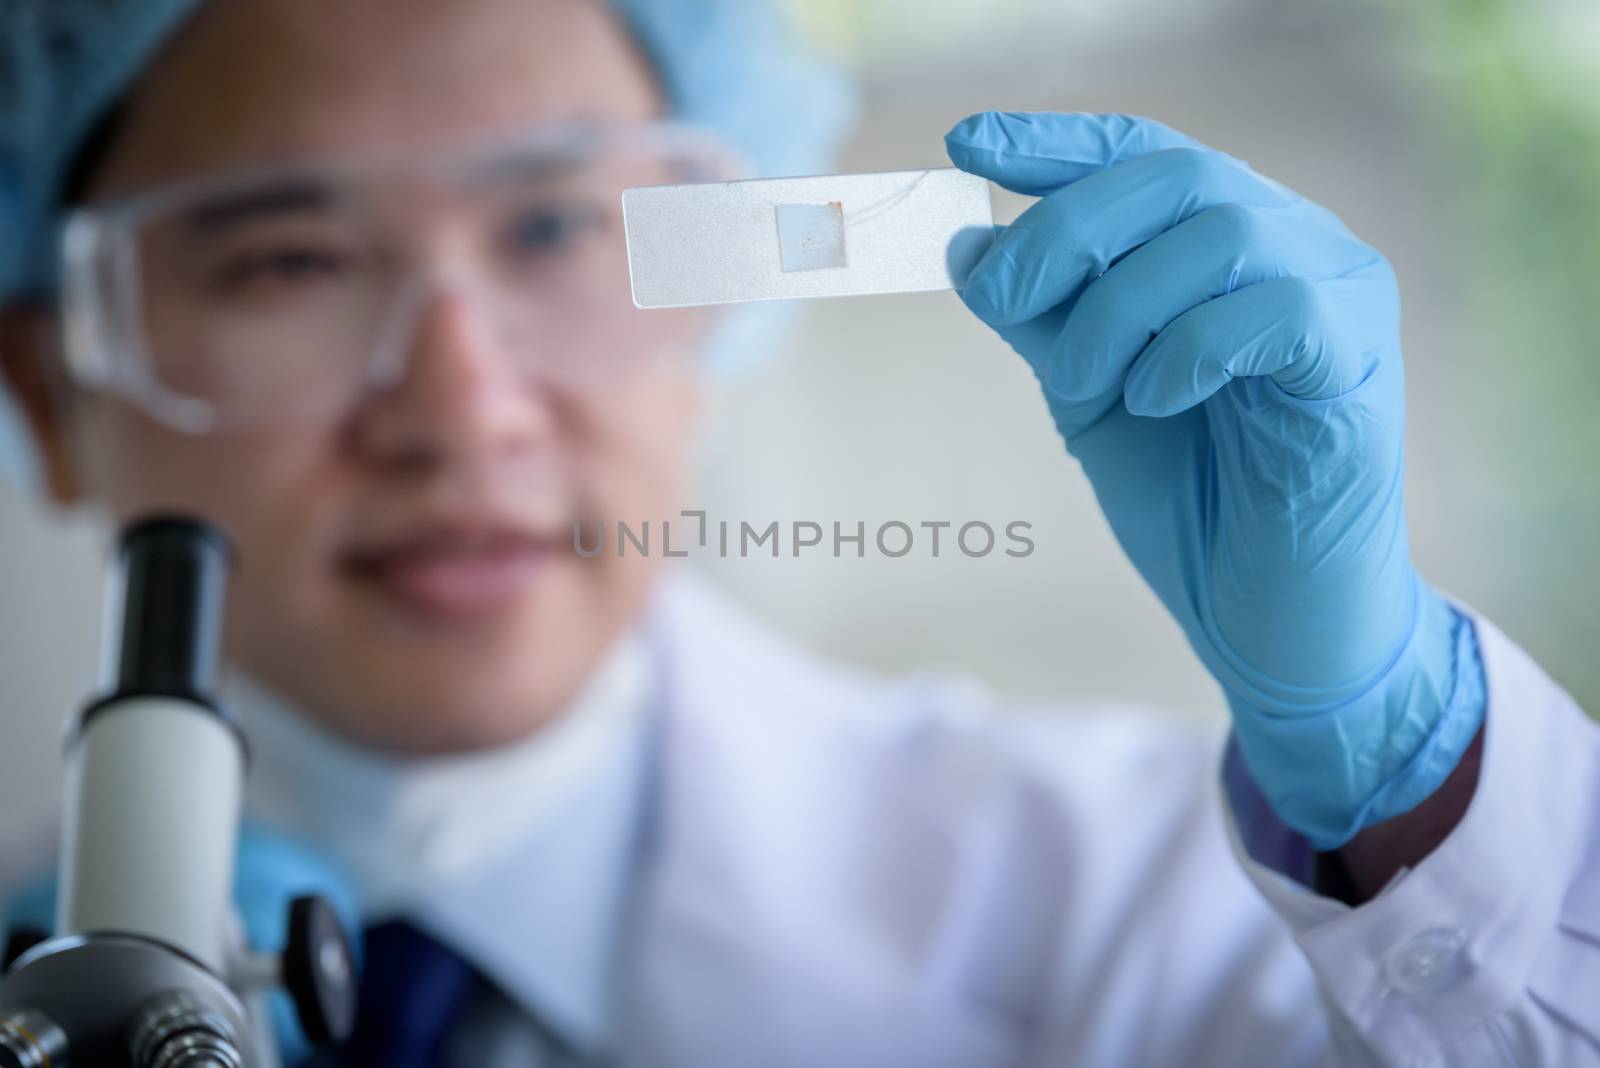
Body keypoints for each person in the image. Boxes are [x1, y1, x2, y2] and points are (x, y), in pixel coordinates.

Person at [0, 0, 1595, 1064]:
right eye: (288, 261)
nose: (461, 407)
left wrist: (1405, 789)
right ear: (52, 385)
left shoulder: (1145, 908)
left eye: (558, 229)